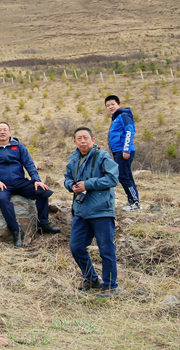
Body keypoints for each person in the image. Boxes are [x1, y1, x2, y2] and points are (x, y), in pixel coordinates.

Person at [0, 122, 61, 248]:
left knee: (42, 192)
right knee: (2, 200)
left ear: (9, 132)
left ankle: (43, 224)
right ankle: (16, 231)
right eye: (0, 130)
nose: (2, 132)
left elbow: (29, 164)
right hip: (3, 184)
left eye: (5, 130)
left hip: (20, 182)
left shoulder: (18, 146)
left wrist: (36, 180)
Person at [64, 127, 120, 298]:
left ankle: (110, 286)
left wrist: (87, 184)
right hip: (81, 211)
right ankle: (91, 279)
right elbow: (67, 178)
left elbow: (112, 178)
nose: (83, 141)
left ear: (93, 140)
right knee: (76, 247)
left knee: (106, 250)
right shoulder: (73, 159)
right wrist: (71, 185)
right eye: (79, 138)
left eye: (86, 137)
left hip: (102, 211)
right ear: (75, 141)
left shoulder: (102, 156)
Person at [105, 95, 140, 211]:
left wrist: (126, 149)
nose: (110, 107)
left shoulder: (123, 115)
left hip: (123, 150)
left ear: (119, 105)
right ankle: (133, 201)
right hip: (118, 151)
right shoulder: (116, 118)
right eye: (108, 105)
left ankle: (134, 202)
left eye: (112, 104)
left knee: (123, 176)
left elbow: (129, 131)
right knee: (127, 175)